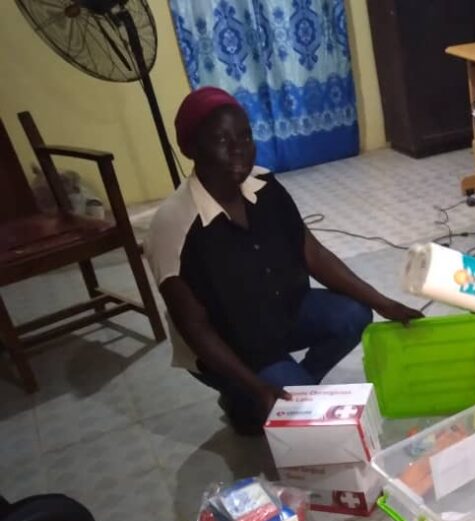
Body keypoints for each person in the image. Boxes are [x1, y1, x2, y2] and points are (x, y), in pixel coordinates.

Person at [146, 87, 421, 433]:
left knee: (353, 315)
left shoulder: (265, 187)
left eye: (245, 136)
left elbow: (313, 254)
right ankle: (249, 398)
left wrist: (384, 303)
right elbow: (196, 330)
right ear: (191, 148)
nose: (238, 149)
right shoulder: (174, 225)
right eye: (222, 140)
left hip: (280, 313)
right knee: (290, 412)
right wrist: (255, 386)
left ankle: (289, 392)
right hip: (233, 344)